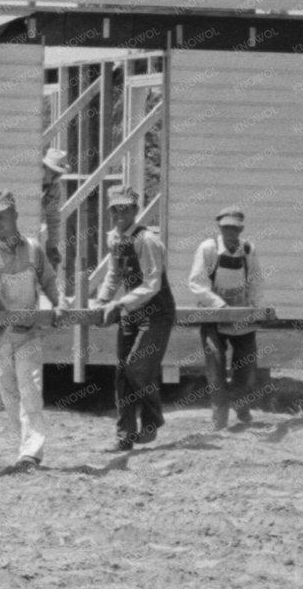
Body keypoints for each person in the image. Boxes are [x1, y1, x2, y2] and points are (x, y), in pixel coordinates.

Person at [0, 189, 61, 470]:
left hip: (30, 334)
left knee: (31, 391)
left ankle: (31, 453)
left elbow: (48, 281)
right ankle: (22, 449)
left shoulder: (34, 249)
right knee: (10, 397)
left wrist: (57, 304)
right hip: (0, 338)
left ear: (14, 215)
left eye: (2, 217)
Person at [95, 187, 175, 451]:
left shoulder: (147, 240)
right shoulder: (114, 239)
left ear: (135, 210)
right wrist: (103, 300)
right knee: (122, 374)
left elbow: (152, 283)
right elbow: (114, 274)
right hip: (130, 312)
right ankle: (125, 436)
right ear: (109, 211)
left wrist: (121, 303)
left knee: (138, 367)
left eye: (126, 209)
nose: (120, 214)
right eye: (115, 209)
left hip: (156, 312)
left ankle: (153, 420)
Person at [187, 206, 263, 430]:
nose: (231, 232)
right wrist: (220, 306)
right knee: (216, 369)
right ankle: (219, 418)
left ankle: (242, 406)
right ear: (220, 227)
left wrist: (257, 309)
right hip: (214, 316)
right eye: (226, 227)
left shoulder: (248, 249)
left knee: (246, 367)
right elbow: (196, 283)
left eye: (235, 228)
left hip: (242, 316)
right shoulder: (208, 248)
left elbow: (256, 282)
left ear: (241, 229)